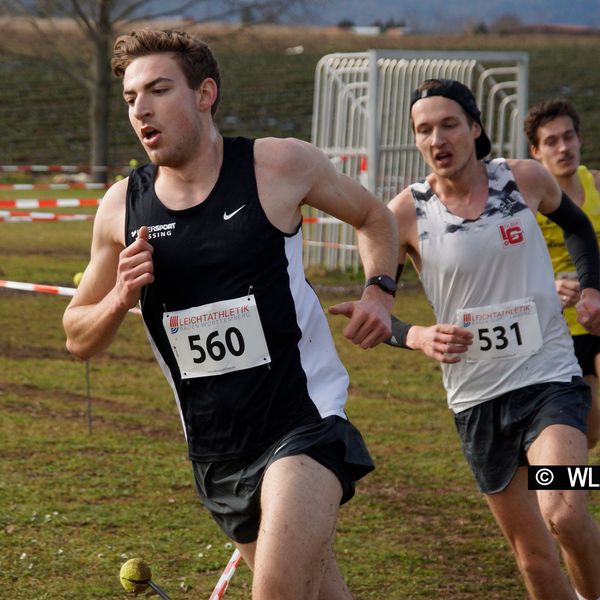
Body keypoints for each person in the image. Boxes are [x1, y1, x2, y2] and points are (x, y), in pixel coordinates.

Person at [62, 29, 399, 600]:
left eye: (158, 89)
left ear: (204, 93)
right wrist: (120, 298)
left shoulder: (276, 165)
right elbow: (77, 336)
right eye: (129, 97)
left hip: (303, 421)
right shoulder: (121, 207)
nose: (140, 108)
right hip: (217, 450)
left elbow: (374, 217)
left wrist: (379, 292)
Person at [381, 79, 600, 600]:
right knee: (535, 563)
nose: (438, 138)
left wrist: (591, 287)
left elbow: (579, 229)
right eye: (424, 129)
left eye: (449, 124)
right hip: (477, 401)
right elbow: (376, 310)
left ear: (475, 128)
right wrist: (415, 336)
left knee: (564, 512)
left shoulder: (522, 178)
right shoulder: (405, 213)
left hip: (549, 378)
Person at [525, 98, 600, 449]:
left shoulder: (597, 186)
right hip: (557, 333)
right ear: (536, 151)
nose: (564, 147)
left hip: (597, 318)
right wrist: (548, 287)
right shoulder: (526, 206)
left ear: (580, 139)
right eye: (552, 141)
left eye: (569, 136)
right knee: (586, 430)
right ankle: (561, 490)